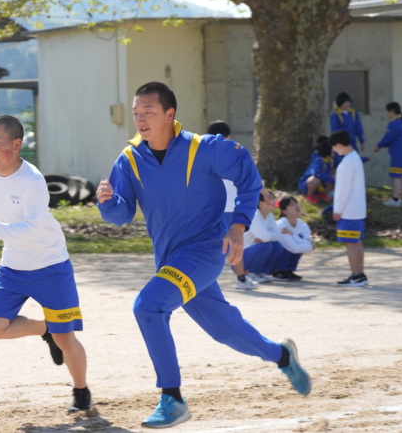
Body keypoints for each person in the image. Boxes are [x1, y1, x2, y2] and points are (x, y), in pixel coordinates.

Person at [96, 82, 310, 428]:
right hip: (170, 260)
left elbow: (248, 178)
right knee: (225, 330)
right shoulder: (129, 159)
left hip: (206, 250)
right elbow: (121, 215)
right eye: (136, 113)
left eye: (148, 112)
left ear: (170, 114)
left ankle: (172, 398)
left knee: (148, 306)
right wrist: (107, 202)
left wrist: (239, 226)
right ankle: (282, 355)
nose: (140, 119)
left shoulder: (204, 148)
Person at [0, 115, 92, 412]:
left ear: (17, 144)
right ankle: (43, 328)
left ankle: (81, 390)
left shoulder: (33, 181)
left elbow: (33, 228)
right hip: (13, 267)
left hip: (51, 266)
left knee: (66, 338)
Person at [206, 120, 256, 290]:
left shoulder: (200, 152)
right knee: (234, 243)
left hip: (208, 208)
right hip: (229, 206)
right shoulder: (232, 152)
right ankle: (241, 278)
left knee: (208, 245)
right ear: (227, 136)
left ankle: (203, 280)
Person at [330, 129, 368, 286]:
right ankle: (360, 274)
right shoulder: (356, 158)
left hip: (348, 210)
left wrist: (337, 209)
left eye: (334, 148)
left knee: (350, 243)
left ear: (338, 145)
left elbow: (342, 190)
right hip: (358, 209)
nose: (334, 151)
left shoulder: (345, 163)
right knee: (357, 242)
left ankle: (355, 275)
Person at [239, 189, 300, 282]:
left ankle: (261, 273)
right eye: (270, 199)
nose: (274, 202)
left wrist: (267, 237)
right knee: (267, 246)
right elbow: (265, 237)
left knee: (277, 246)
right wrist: (267, 237)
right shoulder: (254, 215)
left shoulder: (269, 215)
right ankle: (250, 273)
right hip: (242, 257)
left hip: (255, 250)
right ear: (261, 203)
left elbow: (277, 235)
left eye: (273, 199)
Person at [373, 102, 402, 207]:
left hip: (398, 154)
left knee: (396, 177)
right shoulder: (401, 123)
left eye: (387, 111)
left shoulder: (394, 124)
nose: (387, 114)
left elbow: (388, 138)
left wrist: (379, 146)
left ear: (392, 111)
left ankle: (395, 200)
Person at [275, 196, 316, 275]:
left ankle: (288, 270)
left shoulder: (302, 225)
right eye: (292, 205)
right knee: (286, 246)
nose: (296, 206)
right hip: (279, 255)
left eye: (296, 203)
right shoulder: (281, 225)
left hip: (294, 245)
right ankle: (279, 270)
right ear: (284, 211)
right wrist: (311, 246)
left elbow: (307, 241)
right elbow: (294, 248)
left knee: (299, 241)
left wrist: (293, 235)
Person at [298, 136, 335, 204]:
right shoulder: (319, 160)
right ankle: (309, 196)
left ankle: (321, 194)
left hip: (321, 185)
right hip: (307, 185)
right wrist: (329, 178)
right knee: (316, 179)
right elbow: (316, 173)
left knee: (336, 177)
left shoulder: (330, 161)